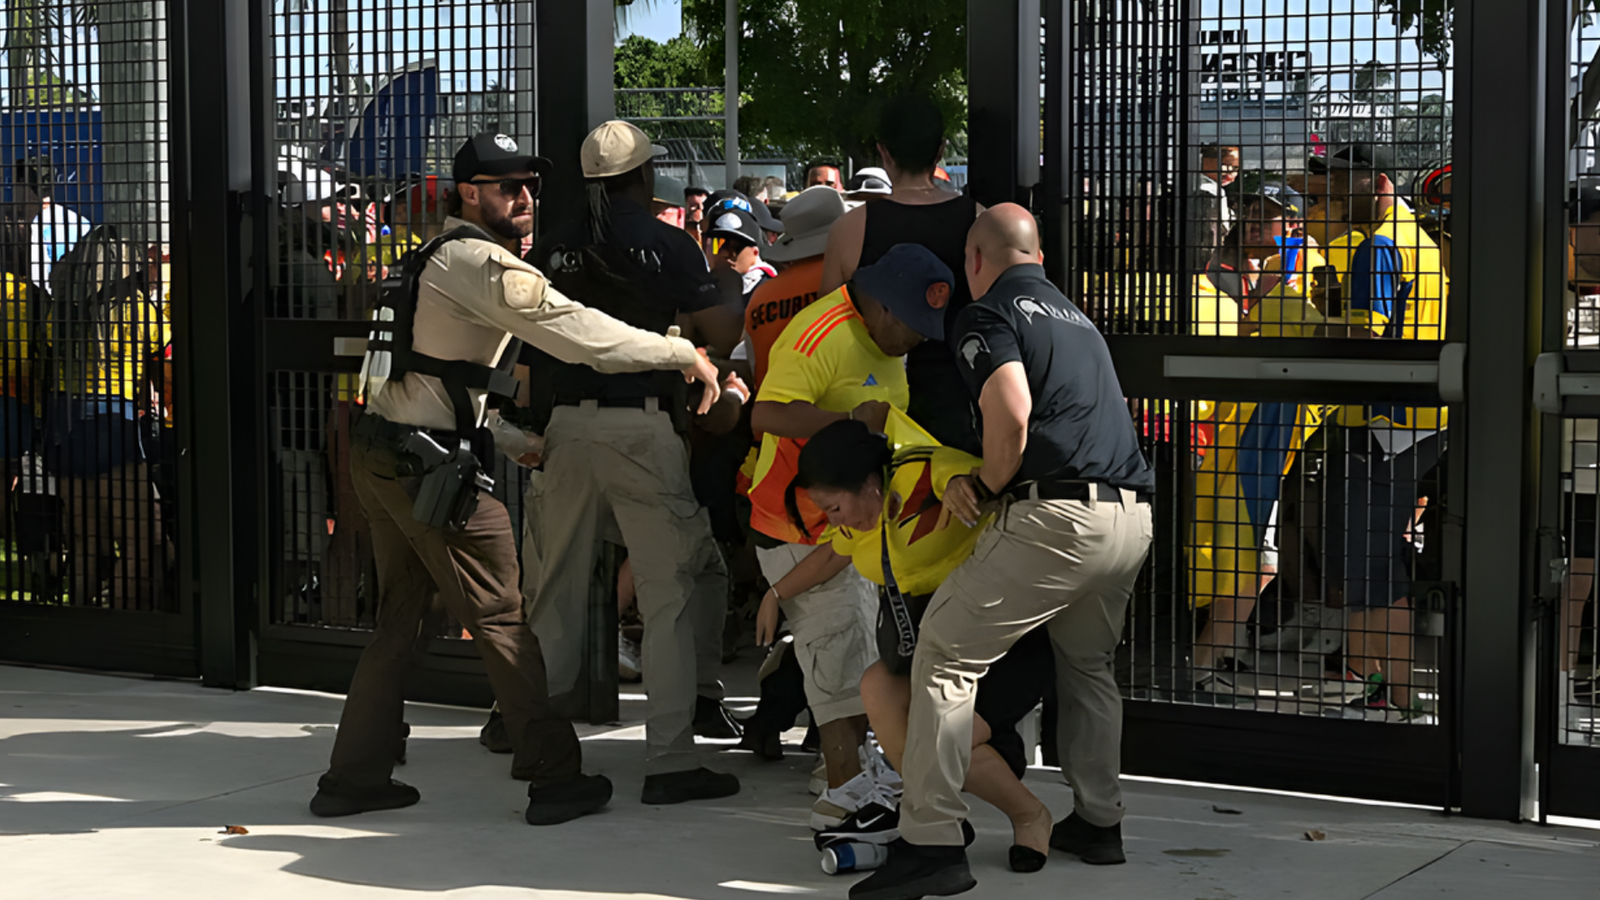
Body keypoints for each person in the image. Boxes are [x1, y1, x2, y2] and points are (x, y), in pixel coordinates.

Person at [310, 131, 723, 825]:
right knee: (505, 615)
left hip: (386, 453)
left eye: (530, 183)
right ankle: (555, 773)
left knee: (400, 623)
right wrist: (682, 351)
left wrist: (501, 433)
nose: (524, 197)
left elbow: (421, 371)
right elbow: (577, 330)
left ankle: (353, 777)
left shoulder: (430, 257)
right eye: (507, 186)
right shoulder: (478, 263)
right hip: (428, 465)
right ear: (468, 193)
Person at [850, 205, 1154, 900]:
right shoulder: (1075, 318)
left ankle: (930, 843)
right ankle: (1099, 823)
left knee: (942, 657)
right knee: (1088, 668)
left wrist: (981, 484)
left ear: (976, 260)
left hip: (1052, 517)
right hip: (1130, 517)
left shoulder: (987, 315)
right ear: (1038, 254)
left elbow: (1010, 412)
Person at [526, 119, 747, 802]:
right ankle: (671, 762)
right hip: (643, 428)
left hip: (564, 426)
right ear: (645, 176)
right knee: (670, 596)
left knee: (552, 595)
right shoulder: (668, 244)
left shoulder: (554, 246)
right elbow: (724, 330)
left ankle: (538, 743)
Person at [780, 419, 1057, 873]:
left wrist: (958, 488)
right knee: (878, 686)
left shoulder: (922, 474)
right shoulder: (855, 525)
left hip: (1001, 641)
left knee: (941, 745)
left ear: (870, 483)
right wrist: (776, 595)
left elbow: (968, 479)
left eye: (833, 508)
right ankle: (933, 818)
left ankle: (1028, 817)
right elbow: (832, 554)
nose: (834, 521)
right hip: (932, 652)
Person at [746, 243, 954, 831]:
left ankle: (853, 781)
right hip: (799, 525)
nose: (915, 341)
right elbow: (766, 415)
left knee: (858, 652)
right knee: (840, 662)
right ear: (884, 308)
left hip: (849, 533)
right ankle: (846, 797)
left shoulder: (885, 339)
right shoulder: (820, 334)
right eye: (913, 329)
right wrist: (849, 424)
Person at [1319, 144, 1449, 720]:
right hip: (1415, 420)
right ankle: (1380, 686)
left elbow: (1368, 337)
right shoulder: (1416, 239)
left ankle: (1397, 696)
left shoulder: (1379, 245)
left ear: (1376, 182)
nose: (1332, 198)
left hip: (1383, 423)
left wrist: (1309, 333)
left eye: (1342, 185)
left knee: (1370, 563)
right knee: (1367, 560)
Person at [822, 93, 983, 456]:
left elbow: (827, 326)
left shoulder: (851, 228)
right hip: (958, 402)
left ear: (884, 153)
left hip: (874, 407)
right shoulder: (979, 222)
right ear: (941, 150)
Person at [744, 186, 848, 387]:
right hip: (840, 412)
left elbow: (754, 368)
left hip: (770, 410)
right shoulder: (848, 283)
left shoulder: (760, 297)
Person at [1187, 143, 1239, 273]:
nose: (1231, 172)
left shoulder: (1187, 183)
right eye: (1227, 164)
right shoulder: (1212, 191)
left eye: (1236, 167)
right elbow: (1216, 232)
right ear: (1206, 160)